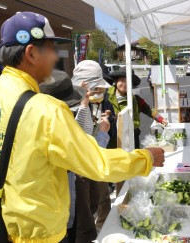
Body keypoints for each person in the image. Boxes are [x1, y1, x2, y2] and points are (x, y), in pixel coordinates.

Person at [0, 11, 164, 243]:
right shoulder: (47, 110)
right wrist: (146, 158)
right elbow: (96, 164)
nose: (55, 58)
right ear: (31, 53)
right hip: (39, 232)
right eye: (51, 50)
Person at [39, 69, 111, 242]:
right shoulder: (65, 118)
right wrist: (102, 133)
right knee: (81, 227)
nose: (95, 94)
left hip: (59, 198)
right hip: (72, 188)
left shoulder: (40, 117)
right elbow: (84, 153)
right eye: (94, 90)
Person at [71, 60, 114, 241]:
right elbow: (87, 144)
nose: (100, 94)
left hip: (88, 172)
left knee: (94, 208)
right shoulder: (73, 109)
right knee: (84, 222)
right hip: (80, 174)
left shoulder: (85, 104)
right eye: (96, 89)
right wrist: (103, 133)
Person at [108, 67, 168, 149]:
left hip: (132, 136)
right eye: (122, 80)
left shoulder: (135, 99)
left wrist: (160, 119)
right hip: (112, 138)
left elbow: (148, 109)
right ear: (116, 81)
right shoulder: (106, 97)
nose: (125, 84)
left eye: (128, 81)